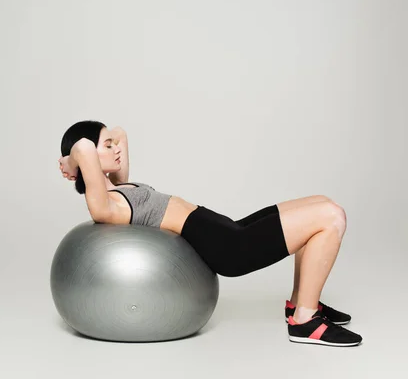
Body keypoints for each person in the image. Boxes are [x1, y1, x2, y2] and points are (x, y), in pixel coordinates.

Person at [58, 120, 362, 347]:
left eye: (112, 144)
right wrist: (74, 160)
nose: (116, 147)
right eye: (106, 146)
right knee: (331, 218)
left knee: (322, 204)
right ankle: (305, 321)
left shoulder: (119, 186)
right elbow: (84, 148)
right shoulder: (106, 206)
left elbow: (120, 131)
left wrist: (97, 150)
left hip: (228, 228)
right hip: (229, 248)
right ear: (86, 159)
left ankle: (300, 302)